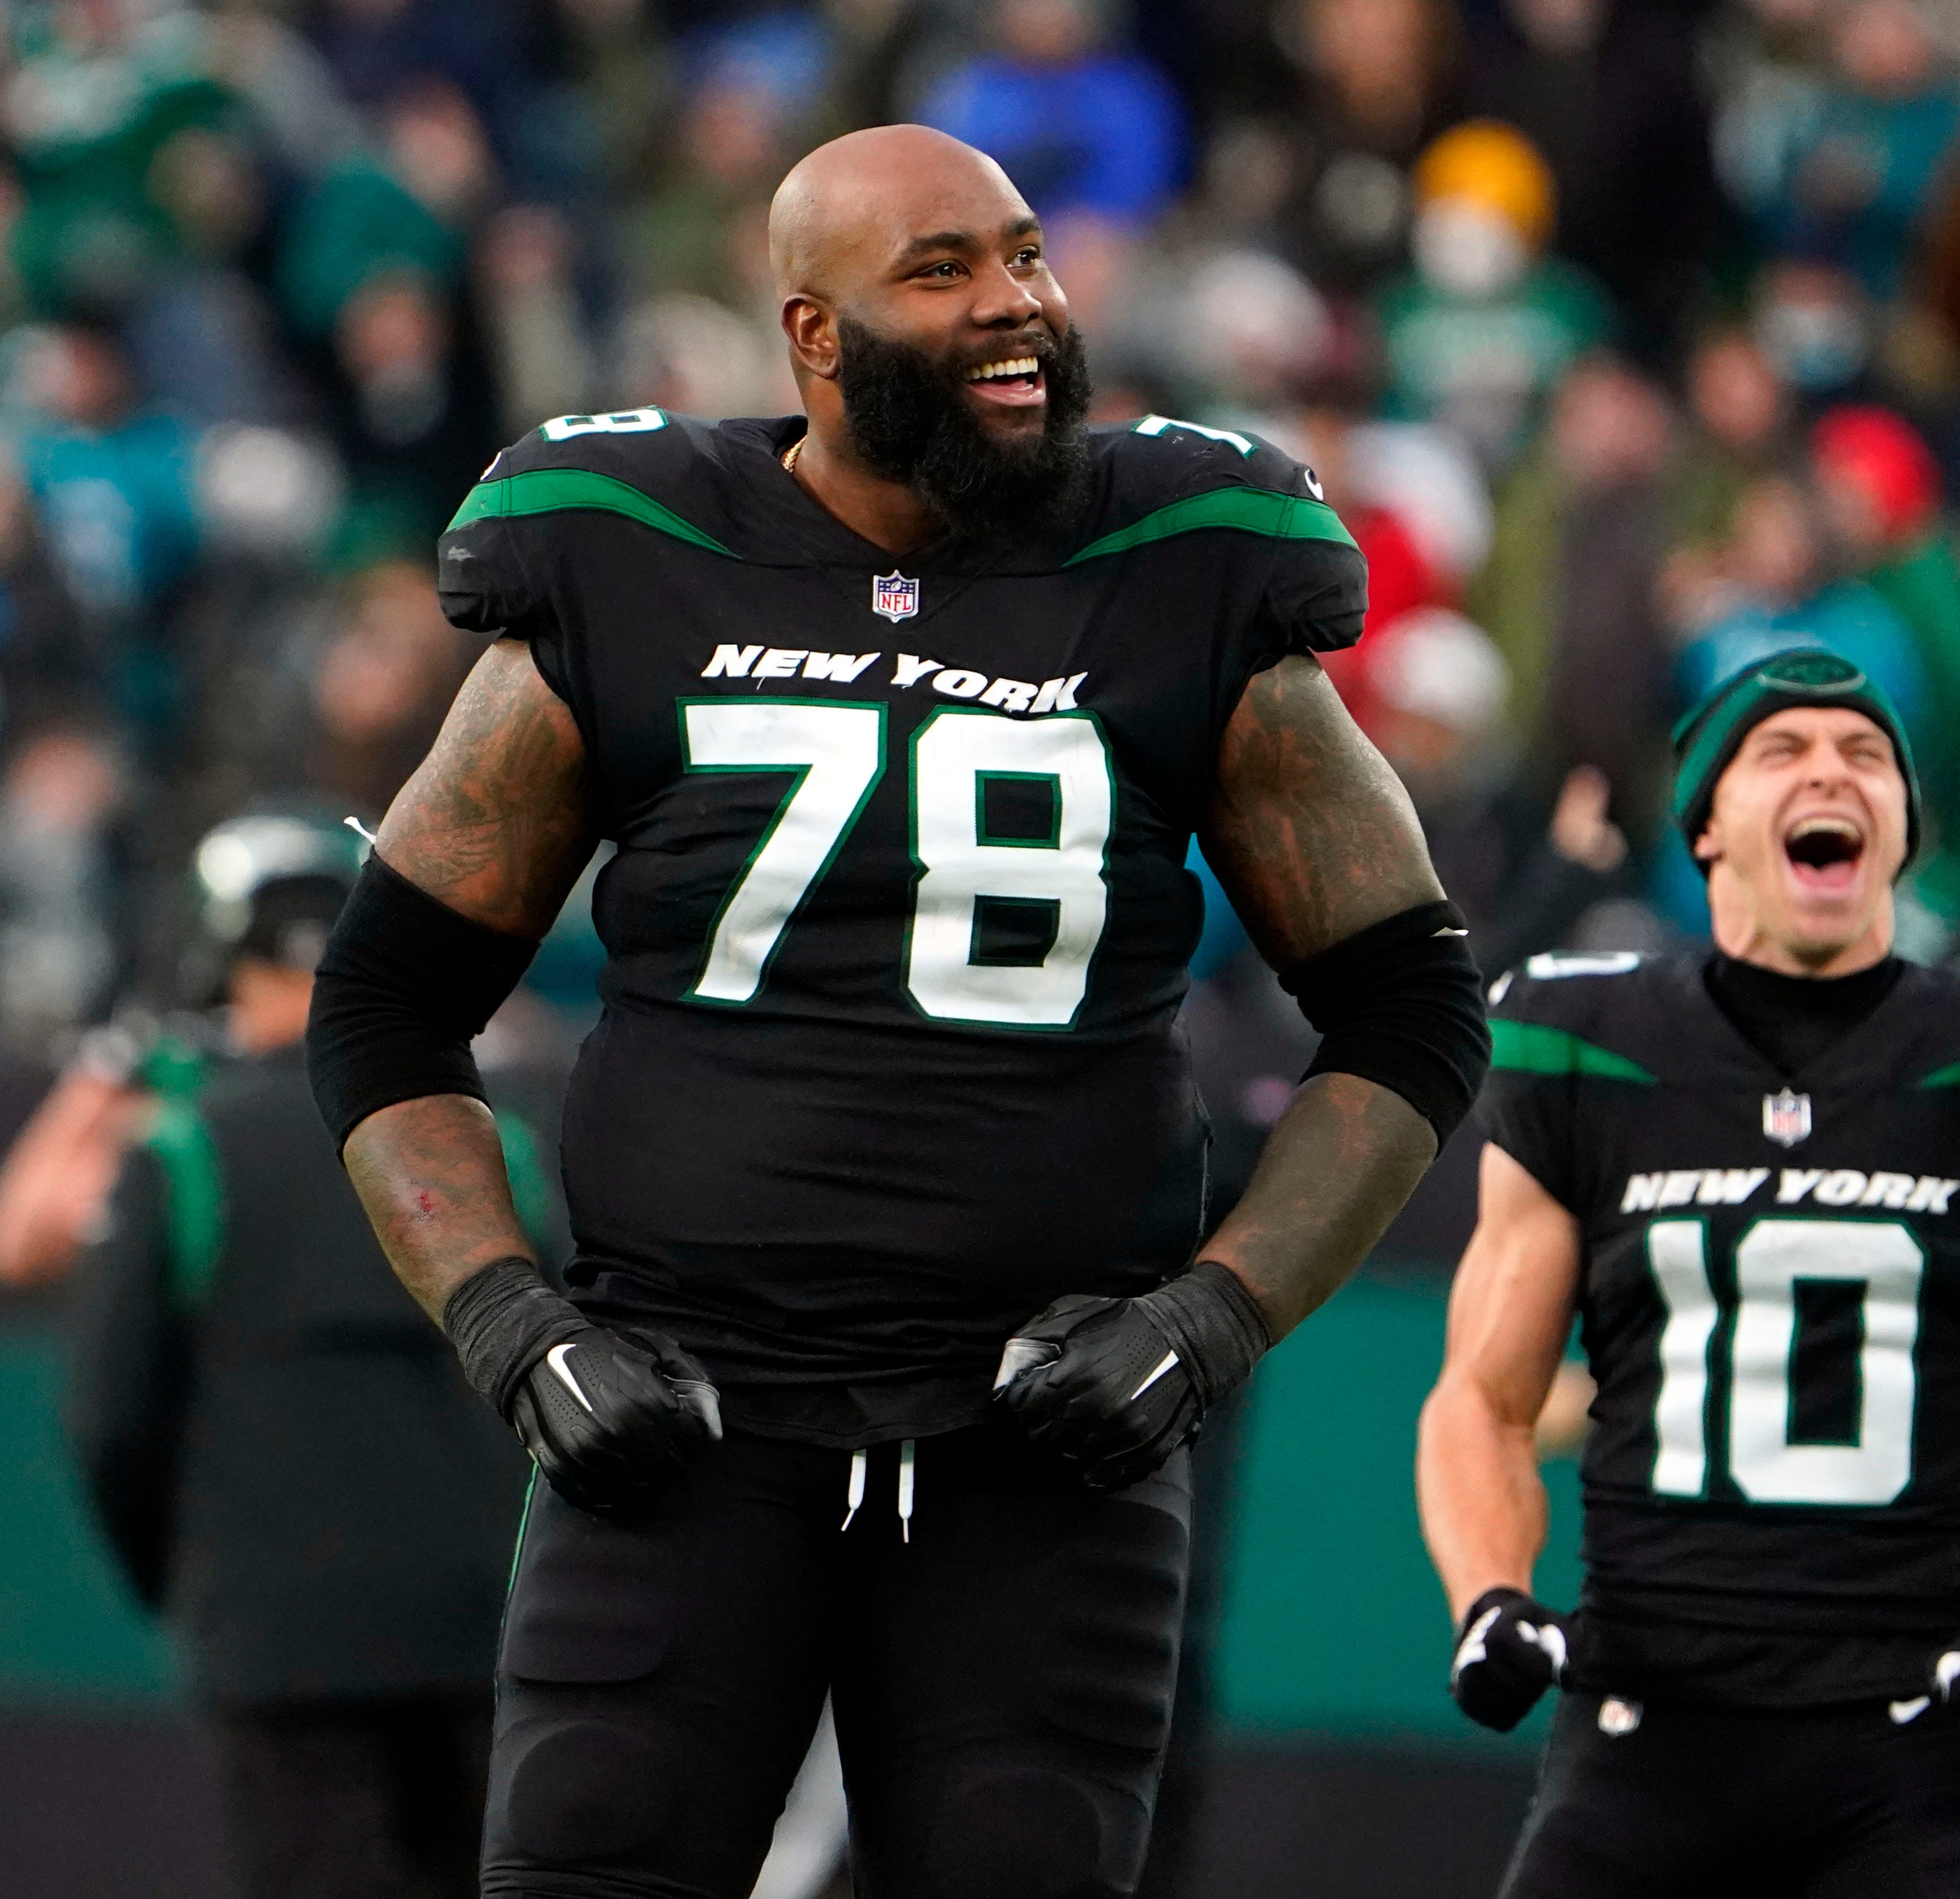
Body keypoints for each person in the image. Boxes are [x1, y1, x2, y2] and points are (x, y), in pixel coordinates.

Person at [303, 124, 1488, 1897]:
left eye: (1023, 254)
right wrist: (506, 1321)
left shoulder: (1181, 557)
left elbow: (1407, 1006)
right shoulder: (628, 549)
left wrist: (1212, 1322)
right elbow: (389, 1001)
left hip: (1041, 1439)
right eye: (941, 272)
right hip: (684, 1418)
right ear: (812, 335)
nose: (1016, 305)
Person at [1415, 645, 1960, 1898]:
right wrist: (1489, 1597)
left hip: (1918, 1735)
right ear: (1706, 828)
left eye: (1865, 756)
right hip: (1644, 1730)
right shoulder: (1581, 1042)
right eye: (1786, 751)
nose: (1834, 772)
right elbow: (1481, 1396)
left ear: (1900, 834)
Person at [65, 812, 533, 1899]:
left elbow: (109, 1413)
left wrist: (184, 1582)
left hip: (277, 1642)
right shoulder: (498, 1139)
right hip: (489, 1630)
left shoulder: (186, 1148)